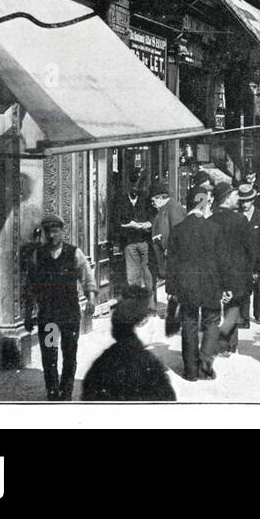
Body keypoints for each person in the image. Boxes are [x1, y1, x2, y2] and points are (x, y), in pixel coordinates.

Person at [24, 214, 98, 401]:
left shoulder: (75, 253)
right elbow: (31, 286)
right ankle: (52, 391)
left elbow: (87, 278)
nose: (52, 236)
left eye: (55, 232)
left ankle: (66, 391)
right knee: (49, 355)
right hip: (48, 316)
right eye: (48, 232)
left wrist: (91, 299)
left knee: (69, 354)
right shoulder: (37, 255)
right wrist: (28, 313)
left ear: (62, 232)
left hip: (69, 315)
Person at [81, 285, 176, 402]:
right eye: (147, 321)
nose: (153, 329)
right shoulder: (151, 368)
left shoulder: (99, 364)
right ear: (136, 325)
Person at [166, 191, 221, 382]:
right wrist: (226, 286)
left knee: (188, 323)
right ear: (205, 205)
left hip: (186, 284)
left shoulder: (178, 229)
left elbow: (171, 263)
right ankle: (206, 368)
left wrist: (170, 290)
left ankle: (190, 371)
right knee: (211, 322)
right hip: (211, 284)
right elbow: (222, 260)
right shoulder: (214, 228)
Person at [210, 181, 257, 357]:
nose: (238, 198)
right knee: (233, 306)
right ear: (227, 198)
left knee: (218, 307)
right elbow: (251, 249)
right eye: (234, 195)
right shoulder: (241, 220)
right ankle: (230, 343)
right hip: (237, 273)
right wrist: (250, 270)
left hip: (216, 272)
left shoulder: (210, 220)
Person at [149, 185, 185, 335]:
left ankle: (177, 317)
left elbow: (178, 231)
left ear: (160, 198)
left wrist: (171, 248)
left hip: (174, 255)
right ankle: (175, 316)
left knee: (176, 286)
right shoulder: (166, 208)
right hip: (168, 254)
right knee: (173, 286)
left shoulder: (173, 208)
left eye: (153, 201)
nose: (153, 204)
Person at [116, 171, 153, 301]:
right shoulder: (121, 200)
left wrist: (147, 224)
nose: (135, 190)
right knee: (132, 276)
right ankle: (136, 304)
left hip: (144, 241)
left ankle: (149, 305)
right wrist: (129, 225)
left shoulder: (145, 200)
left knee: (147, 275)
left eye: (137, 187)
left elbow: (153, 219)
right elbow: (116, 223)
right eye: (132, 187)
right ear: (128, 186)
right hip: (129, 242)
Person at [240, 183, 260, 326]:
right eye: (242, 200)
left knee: (259, 289)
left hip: (258, 259)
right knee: (244, 290)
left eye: (247, 200)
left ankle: (259, 314)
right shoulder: (238, 216)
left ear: (252, 200)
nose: (244, 204)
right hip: (243, 259)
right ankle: (244, 318)